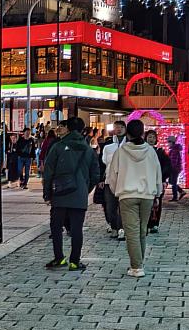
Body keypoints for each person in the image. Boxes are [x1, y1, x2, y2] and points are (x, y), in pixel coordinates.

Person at [43, 117, 100, 272]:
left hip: (59, 194)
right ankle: (75, 261)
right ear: (82, 130)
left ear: (68, 128)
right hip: (79, 195)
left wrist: (47, 194)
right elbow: (96, 174)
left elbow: (48, 172)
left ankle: (59, 257)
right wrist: (84, 189)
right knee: (76, 229)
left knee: (56, 228)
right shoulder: (88, 150)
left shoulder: (57, 147)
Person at [107, 120, 162, 278]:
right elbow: (157, 175)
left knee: (131, 232)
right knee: (141, 231)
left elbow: (112, 176)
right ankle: (139, 262)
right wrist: (157, 194)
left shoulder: (121, 151)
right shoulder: (151, 151)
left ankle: (136, 266)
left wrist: (117, 191)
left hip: (127, 195)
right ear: (143, 133)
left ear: (128, 134)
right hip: (147, 195)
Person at [102, 120, 127, 240]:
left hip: (124, 180)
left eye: (121, 127)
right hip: (109, 180)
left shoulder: (129, 145)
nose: (119, 129)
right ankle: (114, 227)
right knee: (110, 206)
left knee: (123, 206)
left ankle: (122, 228)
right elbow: (103, 163)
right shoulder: (108, 146)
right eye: (117, 127)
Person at [144, 130, 170, 234]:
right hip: (145, 181)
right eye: (149, 137)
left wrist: (162, 179)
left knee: (157, 203)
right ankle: (146, 222)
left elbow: (167, 166)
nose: (151, 139)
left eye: (153, 137)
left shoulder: (160, 152)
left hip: (157, 181)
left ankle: (154, 224)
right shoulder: (142, 151)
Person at [166, 136, 186, 201]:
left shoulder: (174, 150)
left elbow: (173, 161)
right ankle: (181, 192)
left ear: (172, 142)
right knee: (172, 182)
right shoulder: (175, 149)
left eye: (168, 142)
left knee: (173, 182)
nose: (167, 143)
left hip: (174, 169)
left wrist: (170, 169)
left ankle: (175, 197)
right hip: (176, 169)